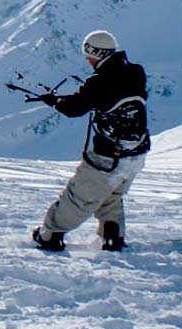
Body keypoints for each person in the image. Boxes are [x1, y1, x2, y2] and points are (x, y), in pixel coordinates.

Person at [31, 30, 151, 252]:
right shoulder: (136, 72)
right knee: (111, 194)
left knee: (79, 196)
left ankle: (50, 235)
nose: (87, 60)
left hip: (108, 157)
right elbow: (103, 95)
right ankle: (112, 237)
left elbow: (75, 108)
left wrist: (54, 101)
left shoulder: (98, 82)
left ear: (96, 53)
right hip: (136, 153)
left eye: (88, 54)